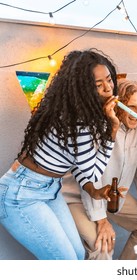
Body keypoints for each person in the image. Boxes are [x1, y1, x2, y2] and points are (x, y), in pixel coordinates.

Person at [0, 49, 120, 260]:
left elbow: (76, 163)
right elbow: (91, 171)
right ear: (83, 89)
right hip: (21, 195)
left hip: (49, 189)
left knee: (77, 255)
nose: (108, 89)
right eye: (98, 85)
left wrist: (92, 191)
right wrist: (112, 130)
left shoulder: (83, 114)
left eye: (109, 80)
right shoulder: (78, 122)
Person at [62, 79, 137, 260]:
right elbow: (91, 177)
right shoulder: (98, 128)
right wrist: (101, 220)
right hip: (81, 196)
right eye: (132, 107)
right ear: (118, 106)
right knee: (102, 244)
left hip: (114, 194)